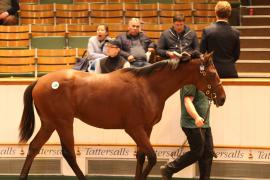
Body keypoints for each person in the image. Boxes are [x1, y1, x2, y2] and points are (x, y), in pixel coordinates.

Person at [160, 84, 214, 180]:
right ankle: (169, 169)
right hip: (192, 124)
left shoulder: (204, 78)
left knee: (208, 153)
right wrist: (196, 117)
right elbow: (187, 101)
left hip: (205, 123)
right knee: (197, 152)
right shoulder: (191, 80)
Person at [200, 1, 240, 78]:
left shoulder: (207, 31)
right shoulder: (236, 32)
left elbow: (201, 53)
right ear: (229, 14)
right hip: (230, 71)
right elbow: (236, 55)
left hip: (212, 72)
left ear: (215, 12)